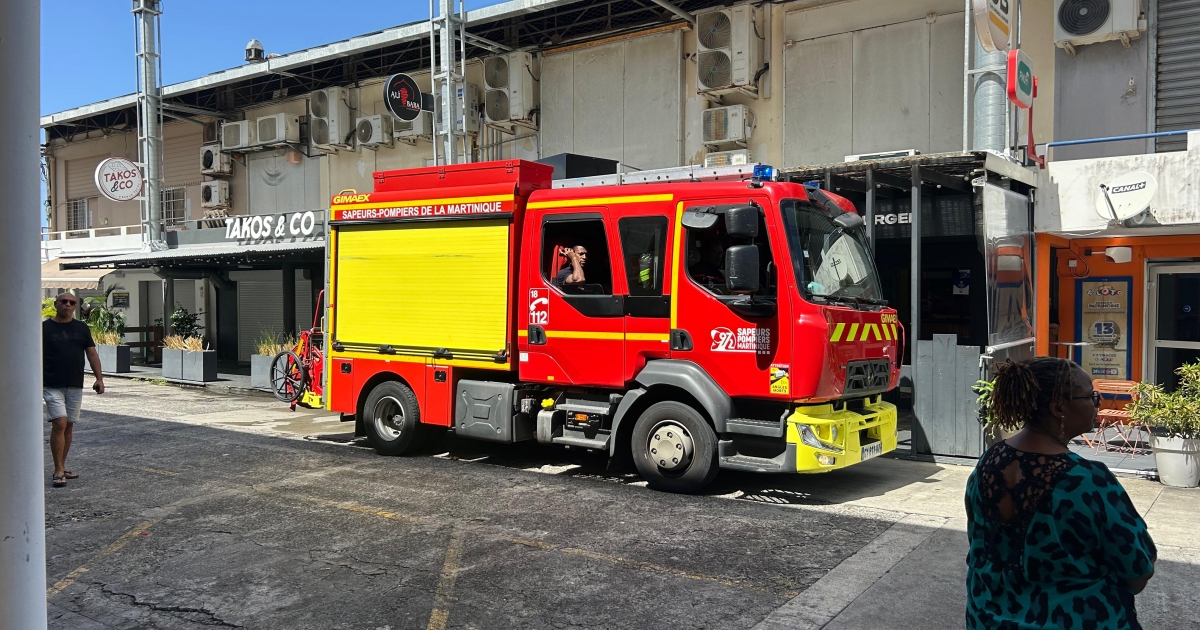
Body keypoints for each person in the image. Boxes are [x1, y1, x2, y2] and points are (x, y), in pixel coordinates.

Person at [965, 357, 1156, 630]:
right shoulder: (1087, 481)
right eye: (1091, 396)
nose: (1097, 403)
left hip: (987, 619)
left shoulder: (988, 462)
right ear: (1058, 407)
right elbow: (1138, 570)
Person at [43, 292, 105, 488]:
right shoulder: (44, 328)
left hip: (75, 384)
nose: (67, 305)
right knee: (59, 423)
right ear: (56, 304)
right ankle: (58, 470)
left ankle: (62, 465)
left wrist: (99, 378)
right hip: (51, 384)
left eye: (71, 302)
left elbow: (92, 354)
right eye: (63, 302)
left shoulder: (81, 328)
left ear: (75, 306)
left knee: (68, 425)